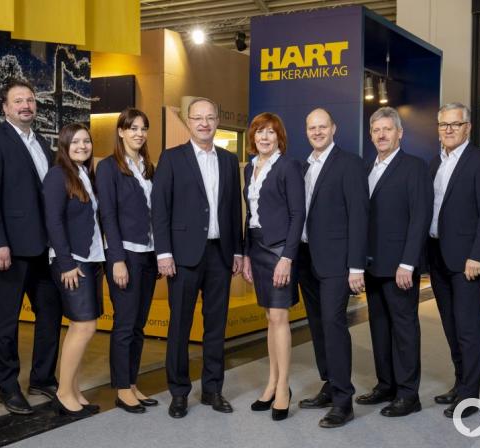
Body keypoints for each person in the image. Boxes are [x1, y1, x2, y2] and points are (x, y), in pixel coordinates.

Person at [0, 79, 63, 415]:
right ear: (5, 107)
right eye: (18, 101)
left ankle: (42, 377)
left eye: (30, 100)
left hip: (44, 247)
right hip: (9, 248)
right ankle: (7, 386)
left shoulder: (42, 142)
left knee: (50, 314)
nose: (26, 105)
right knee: (5, 320)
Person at [151, 97, 243, 418]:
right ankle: (178, 392)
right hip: (183, 255)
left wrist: (238, 251)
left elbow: (234, 210)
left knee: (216, 325)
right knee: (180, 325)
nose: (204, 123)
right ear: (189, 122)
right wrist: (163, 252)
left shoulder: (230, 161)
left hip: (220, 254)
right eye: (198, 118)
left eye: (210, 117)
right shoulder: (172, 158)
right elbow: (159, 209)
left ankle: (213, 389)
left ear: (217, 121)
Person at [356, 107, 432, 417]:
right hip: (372, 265)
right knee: (379, 327)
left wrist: (408, 263)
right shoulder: (365, 168)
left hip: (400, 267)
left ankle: (408, 393)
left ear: (400, 133)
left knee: (404, 329)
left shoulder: (414, 167)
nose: (382, 135)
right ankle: (385, 384)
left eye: (388, 129)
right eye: (377, 130)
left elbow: (420, 218)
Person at [296, 108, 368, 428]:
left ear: (334, 128)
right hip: (307, 259)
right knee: (318, 325)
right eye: (312, 127)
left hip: (337, 262)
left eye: (323, 126)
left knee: (334, 325)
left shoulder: (349, 164)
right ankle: (328, 383)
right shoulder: (304, 165)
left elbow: (359, 217)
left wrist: (356, 266)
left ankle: (343, 400)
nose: (317, 131)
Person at [428, 102, 480, 418]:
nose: (448, 129)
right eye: (444, 124)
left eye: (455, 124)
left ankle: (470, 394)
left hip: (467, 260)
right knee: (450, 324)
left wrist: (478, 256)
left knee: (468, 327)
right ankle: (460, 383)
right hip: (437, 255)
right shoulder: (435, 163)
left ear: (467, 127)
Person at [241, 113, 306, 421]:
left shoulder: (288, 166)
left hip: (280, 249)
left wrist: (287, 257)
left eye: (270, 132)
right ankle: (271, 382)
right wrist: (246, 255)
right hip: (257, 248)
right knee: (270, 317)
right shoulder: (249, 169)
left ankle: (283, 388)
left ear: (279, 137)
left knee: (279, 317)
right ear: (252, 137)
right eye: (259, 132)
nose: (264, 137)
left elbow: (298, 214)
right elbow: (250, 216)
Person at [96, 109, 159, 414]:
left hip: (148, 254)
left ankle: (132, 383)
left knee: (138, 325)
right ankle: (122, 389)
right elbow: (107, 215)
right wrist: (117, 259)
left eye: (143, 128)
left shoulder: (149, 167)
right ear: (120, 131)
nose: (138, 133)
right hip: (125, 255)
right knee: (124, 324)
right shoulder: (108, 168)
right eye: (132, 128)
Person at [41, 123, 103, 417]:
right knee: (84, 325)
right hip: (72, 262)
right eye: (75, 142)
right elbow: (52, 221)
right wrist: (66, 263)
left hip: (90, 259)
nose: (82, 146)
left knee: (82, 327)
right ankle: (64, 393)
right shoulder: (57, 176)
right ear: (64, 146)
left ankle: (74, 389)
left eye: (86, 141)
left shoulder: (84, 175)